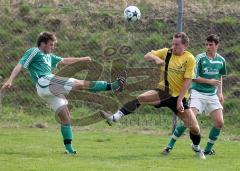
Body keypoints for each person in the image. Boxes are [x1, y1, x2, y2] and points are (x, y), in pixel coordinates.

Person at [1, 31, 126, 154]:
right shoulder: (34, 51)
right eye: (51, 44)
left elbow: (64, 60)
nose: (52, 47)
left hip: (47, 90)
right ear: (42, 43)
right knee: (80, 84)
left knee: (65, 116)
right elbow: (20, 65)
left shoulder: (49, 56)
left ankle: (69, 149)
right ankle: (113, 85)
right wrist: (10, 80)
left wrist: (82, 59)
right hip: (45, 81)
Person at [101, 32, 206, 159]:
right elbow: (147, 56)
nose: (173, 46)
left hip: (179, 97)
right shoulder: (167, 52)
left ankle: (196, 147)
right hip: (163, 92)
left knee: (194, 128)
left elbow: (188, 81)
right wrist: (156, 58)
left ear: (185, 45)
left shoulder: (189, 59)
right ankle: (114, 117)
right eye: (172, 43)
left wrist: (179, 100)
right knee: (141, 98)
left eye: (177, 44)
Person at [163, 34, 226, 156]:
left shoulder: (221, 60)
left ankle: (207, 150)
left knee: (219, 122)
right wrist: (209, 82)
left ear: (217, 45)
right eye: (206, 44)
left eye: (211, 45)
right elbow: (193, 77)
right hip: (197, 94)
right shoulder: (199, 58)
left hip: (212, 95)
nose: (208, 47)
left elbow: (219, 77)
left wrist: (220, 92)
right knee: (188, 121)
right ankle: (169, 146)